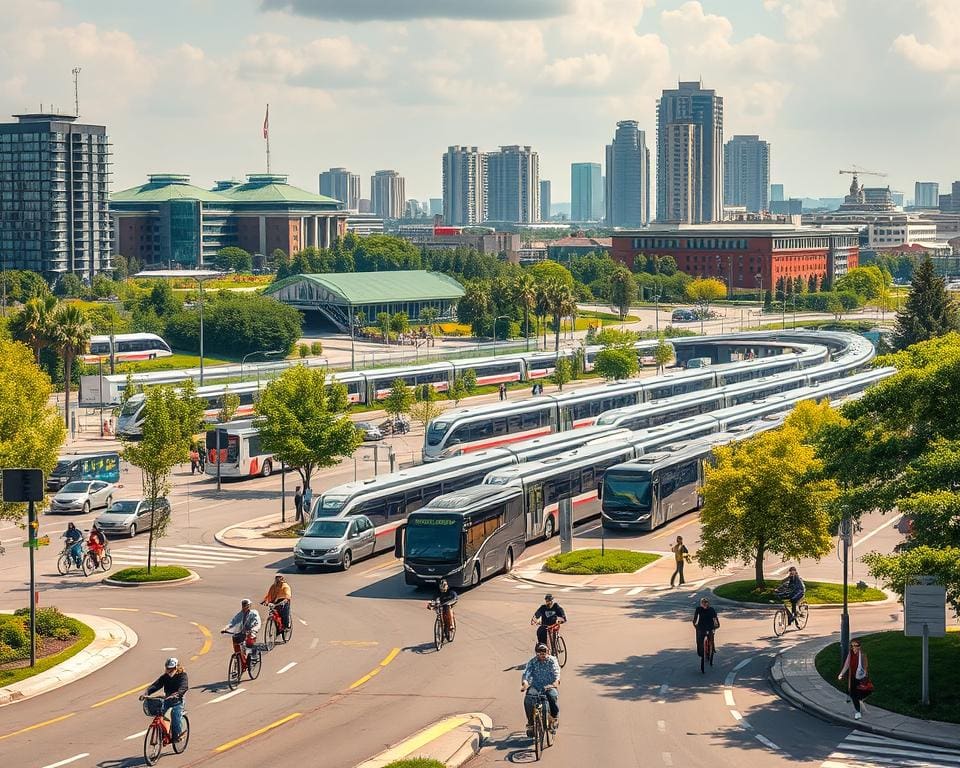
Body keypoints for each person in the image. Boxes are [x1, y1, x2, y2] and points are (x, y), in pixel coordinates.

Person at [144, 657, 188, 742]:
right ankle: (164, 734)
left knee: (175, 716)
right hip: (167, 699)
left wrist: (178, 694)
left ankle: (178, 735)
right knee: (161, 715)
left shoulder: (182, 675)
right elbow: (156, 685)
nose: (168, 671)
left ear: (176, 668)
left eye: (171, 669)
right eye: (167, 669)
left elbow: (184, 686)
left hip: (177, 700)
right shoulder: (165, 677)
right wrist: (146, 693)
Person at [521, 643, 560, 737]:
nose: (542, 655)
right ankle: (530, 724)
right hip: (535, 686)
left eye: (544, 652)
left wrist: (555, 682)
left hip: (549, 685)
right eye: (539, 652)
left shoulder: (552, 661)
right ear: (536, 653)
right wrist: (525, 683)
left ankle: (554, 718)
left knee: (552, 696)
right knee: (528, 700)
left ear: (548, 652)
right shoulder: (532, 662)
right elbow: (526, 673)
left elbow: (556, 671)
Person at [838, 638, 871, 719]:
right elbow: (847, 664)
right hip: (852, 677)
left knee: (862, 693)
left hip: (861, 678)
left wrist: (864, 676)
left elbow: (865, 667)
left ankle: (860, 702)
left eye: (855, 645)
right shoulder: (851, 654)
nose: (854, 647)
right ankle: (858, 711)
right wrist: (841, 674)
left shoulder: (863, 655)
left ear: (859, 646)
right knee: (853, 695)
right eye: (852, 646)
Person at [224, 598, 262, 665]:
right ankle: (238, 659)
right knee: (235, 639)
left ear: (249, 605)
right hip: (242, 632)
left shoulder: (254, 613)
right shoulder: (240, 614)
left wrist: (254, 630)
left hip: (251, 632)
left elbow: (257, 622)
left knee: (250, 642)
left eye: (246, 605)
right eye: (243, 605)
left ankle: (254, 657)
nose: (244, 607)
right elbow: (233, 622)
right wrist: (226, 628)